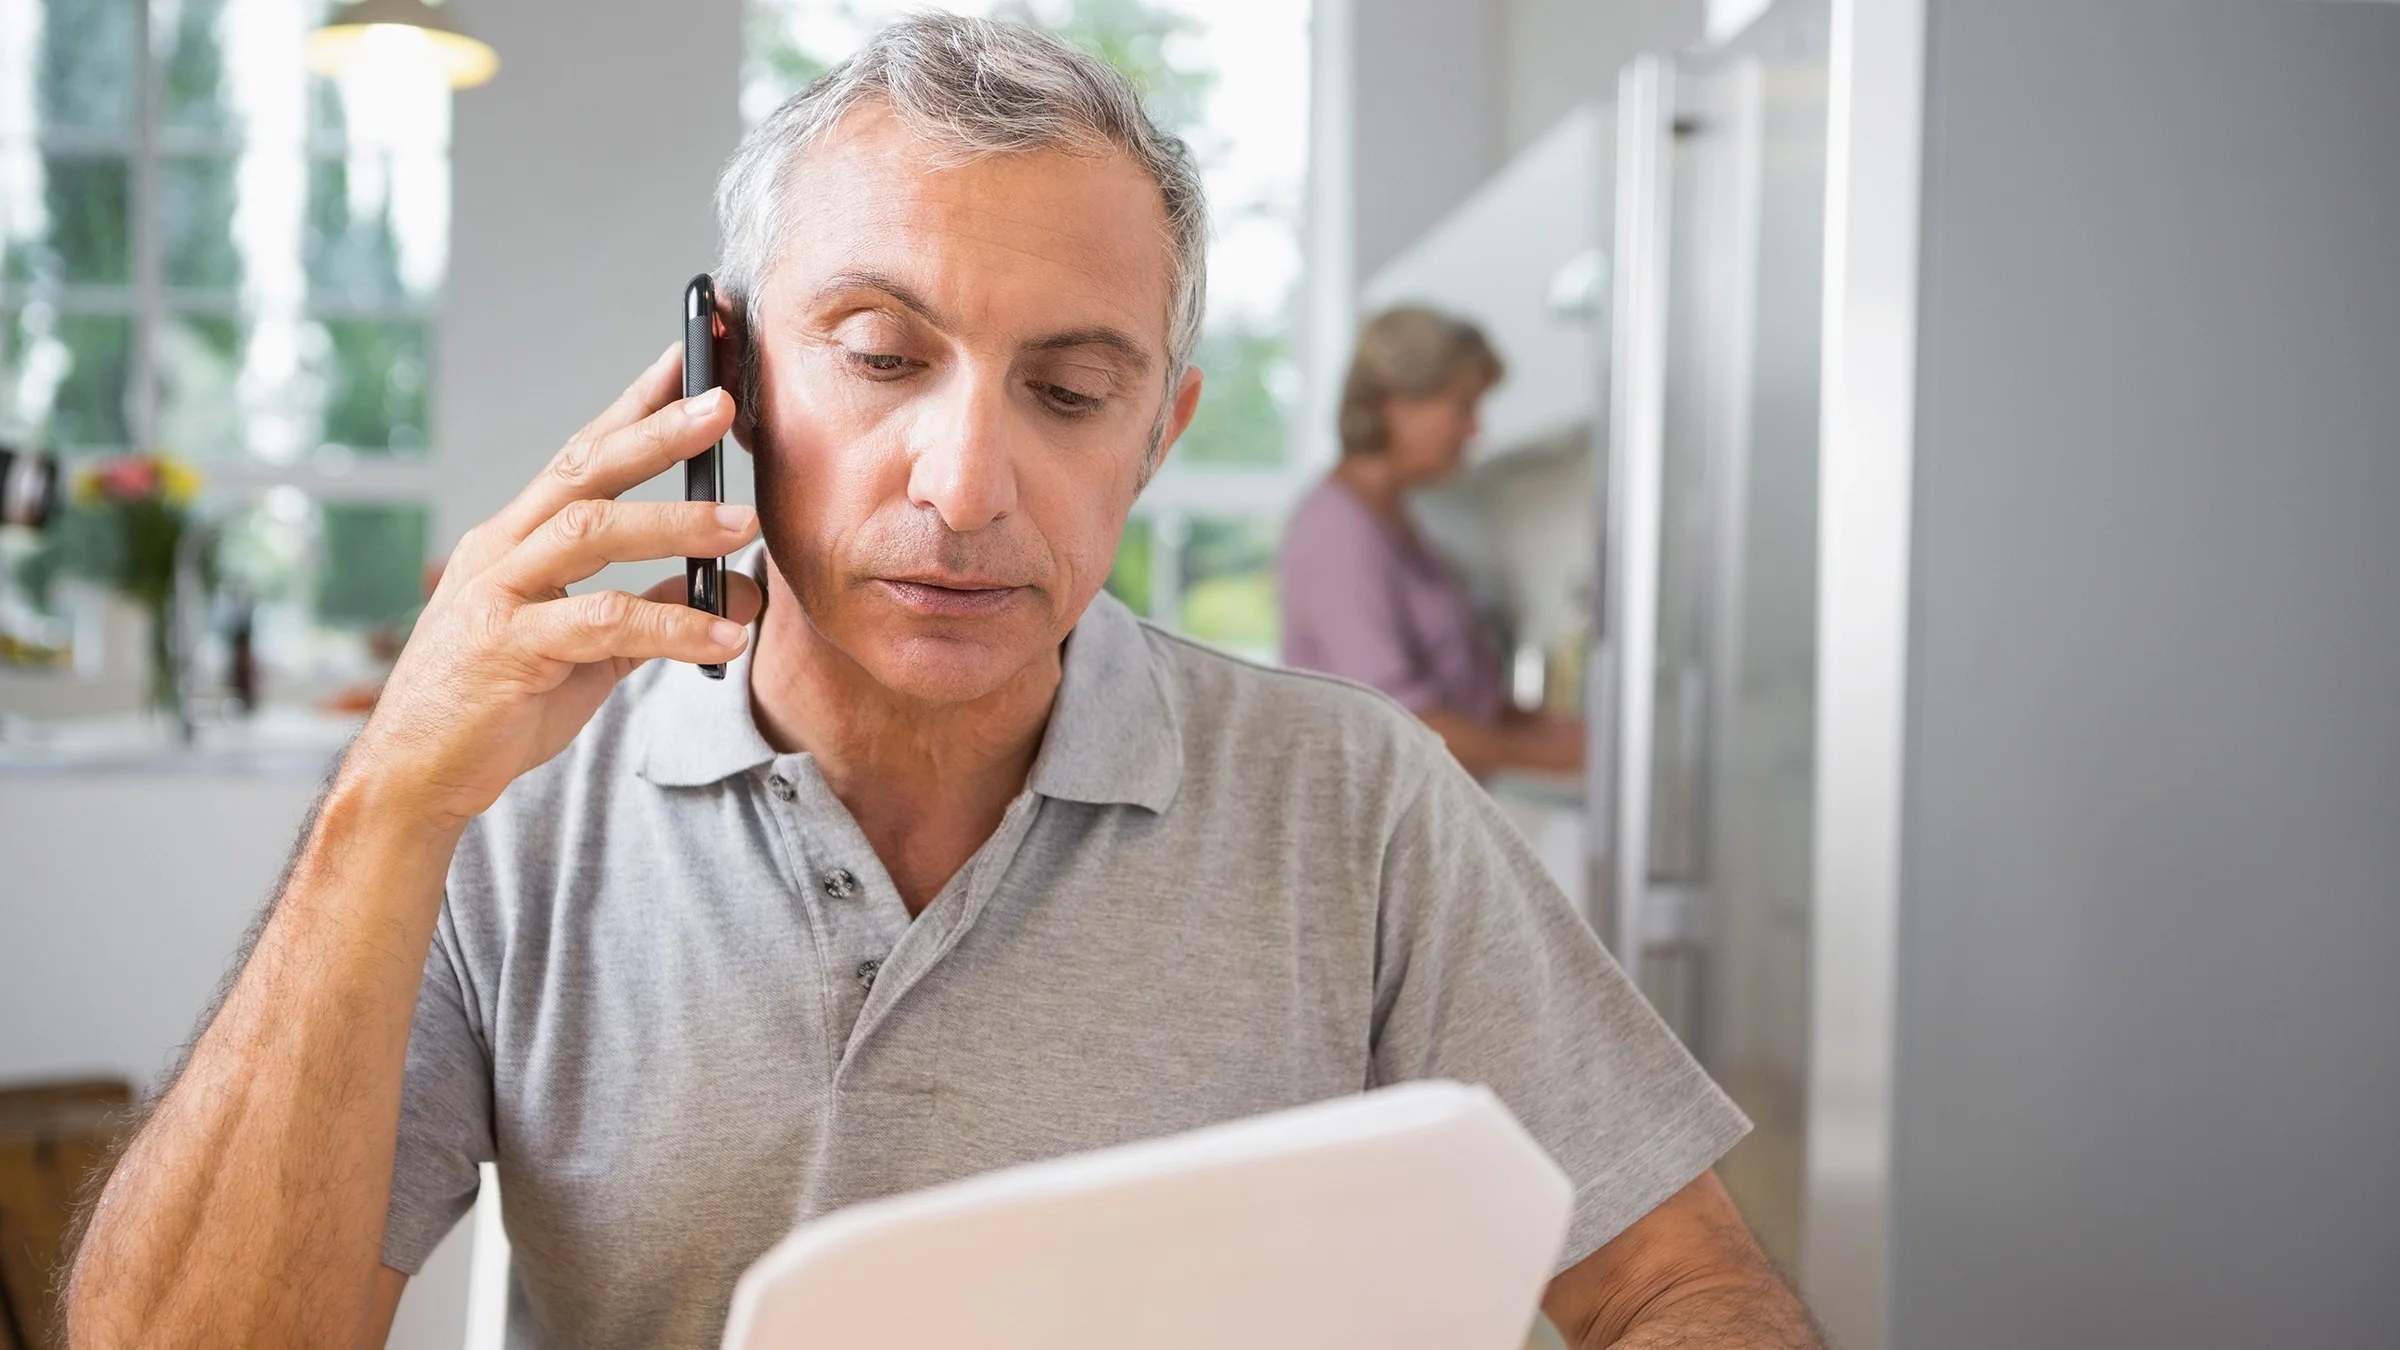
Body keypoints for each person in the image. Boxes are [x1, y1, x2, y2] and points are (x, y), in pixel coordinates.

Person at [64, 17, 1818, 1350]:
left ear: (1158, 435)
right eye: (882, 355)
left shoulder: (1357, 805)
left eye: (1069, 393)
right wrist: (388, 804)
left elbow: (1682, 1290)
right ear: (730, 377)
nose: (966, 486)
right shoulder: (515, 818)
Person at [1281, 307, 1586, 777]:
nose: (1475, 429)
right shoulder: (1334, 530)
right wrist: (1550, 754)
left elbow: (1461, 698)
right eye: (1462, 408)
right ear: (1395, 404)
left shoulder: (1397, 521)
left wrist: (1553, 730)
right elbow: (1396, 718)